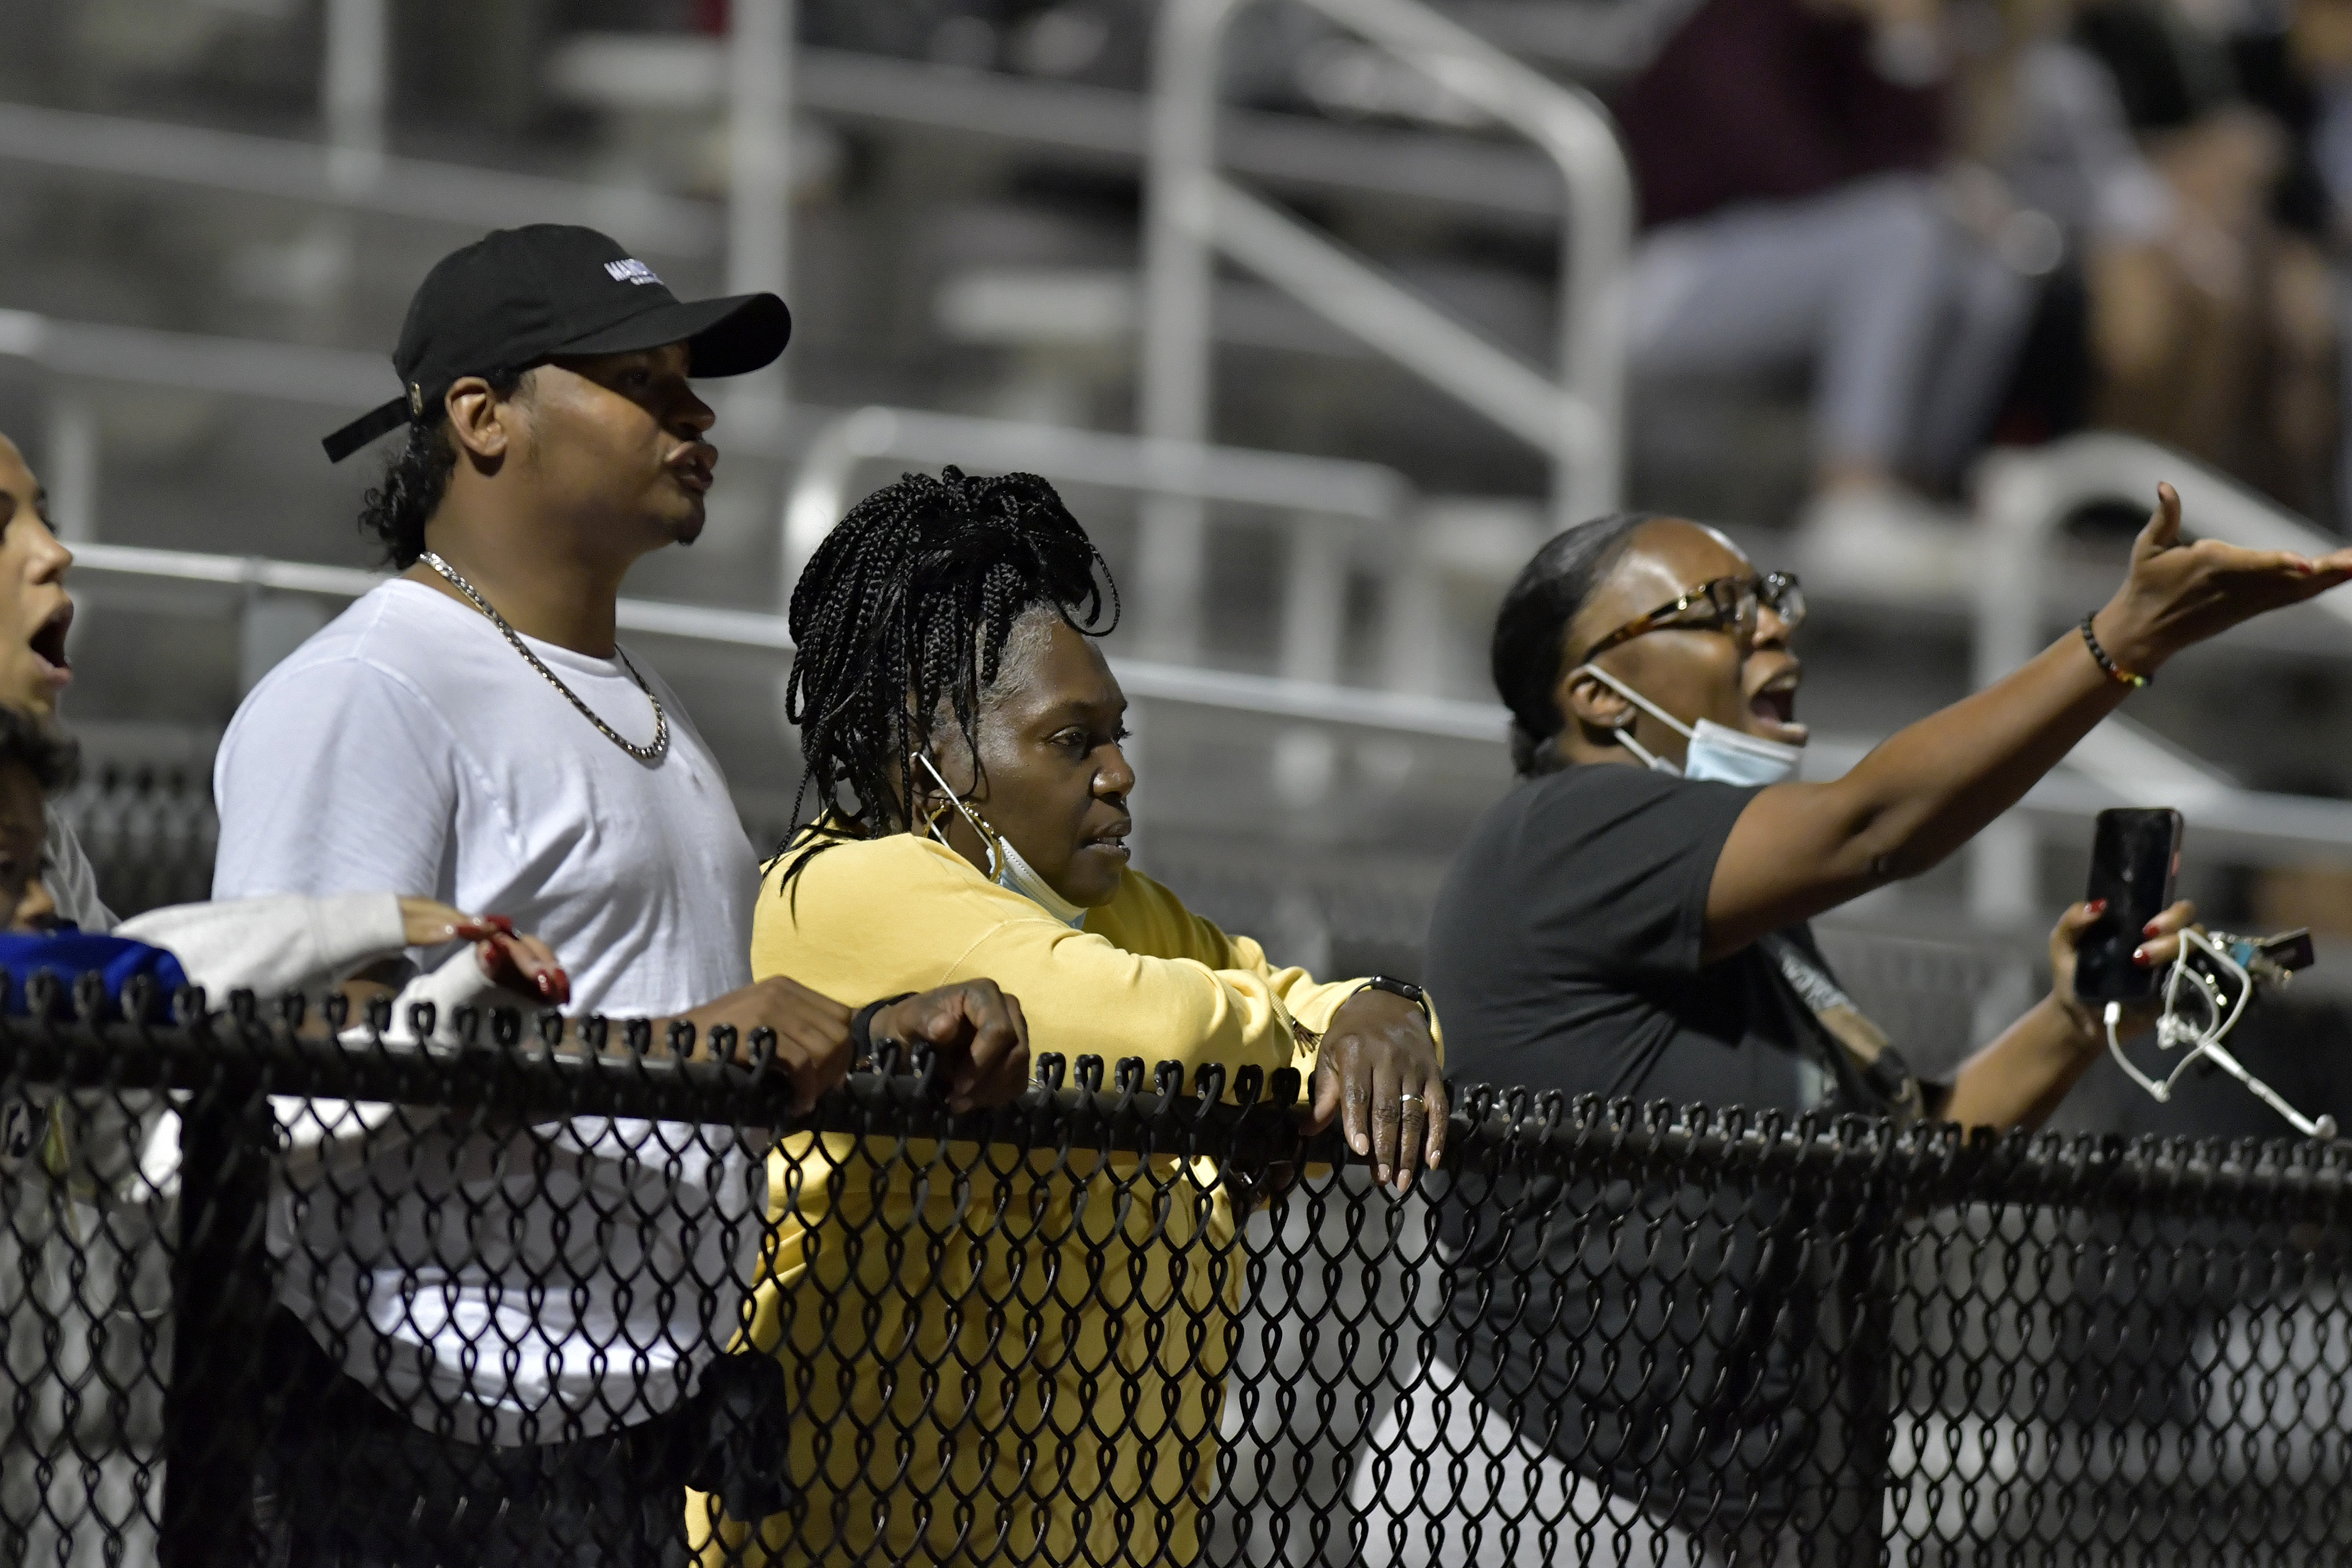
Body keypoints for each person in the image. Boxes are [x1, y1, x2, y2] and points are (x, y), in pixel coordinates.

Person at [208, 226, 1029, 1566]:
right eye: (639, 381)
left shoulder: (645, 710)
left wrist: (866, 1037)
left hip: (610, 1452)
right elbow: (293, 1058)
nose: (694, 412)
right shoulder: (375, 689)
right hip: (405, 1452)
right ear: (482, 418)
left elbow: (681, 1031)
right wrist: (696, 1050)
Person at [1404, 493, 2352, 1563]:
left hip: (1732, 1517)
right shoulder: (1562, 831)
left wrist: (2080, 1017)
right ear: (1595, 695)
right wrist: (2120, 642)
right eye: (1719, 606)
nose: (1770, 624)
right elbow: (1874, 825)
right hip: (1539, 1501)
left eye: (1770, 596)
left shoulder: (1752, 926)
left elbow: (1907, 1153)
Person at [691, 468, 1448, 1567]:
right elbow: (1173, 1032)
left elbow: (1273, 999)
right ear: (931, 750)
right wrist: (1313, 1045)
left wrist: (1387, 1009)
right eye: (1070, 738)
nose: (1119, 771)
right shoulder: (847, 889)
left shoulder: (1121, 910)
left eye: (1116, 733)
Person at [1615, 0, 2037, 591]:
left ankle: (1914, 492)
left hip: (1795, 264)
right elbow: (1771, 166)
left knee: (1989, 274)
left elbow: (1916, 158)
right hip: (1667, 277)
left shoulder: (1853, 47)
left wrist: (1905, 52)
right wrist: (1922, 194)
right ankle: (1851, 498)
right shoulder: (1736, 22)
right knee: (1904, 228)